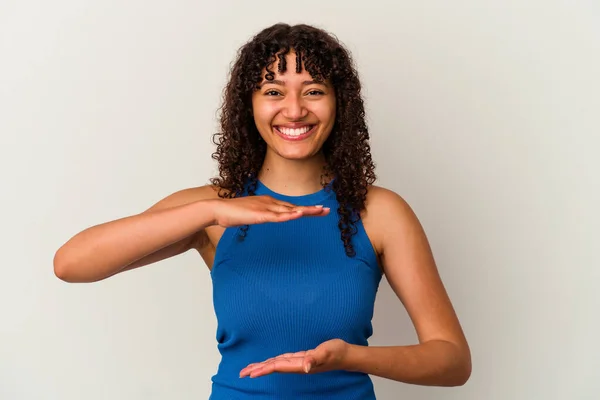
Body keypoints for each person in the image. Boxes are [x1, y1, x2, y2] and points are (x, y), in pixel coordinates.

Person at [54, 23, 471, 399]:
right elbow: (71, 264)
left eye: (313, 91)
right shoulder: (213, 211)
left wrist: (350, 358)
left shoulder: (380, 212)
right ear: (249, 104)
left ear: (338, 103)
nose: (294, 110)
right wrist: (210, 212)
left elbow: (452, 360)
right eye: (273, 91)